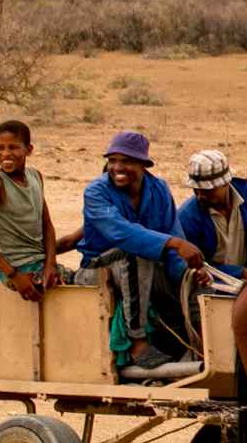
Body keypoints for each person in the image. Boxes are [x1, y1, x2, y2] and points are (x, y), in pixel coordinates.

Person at [72, 131, 206, 375]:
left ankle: (200, 347)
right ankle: (137, 342)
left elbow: (173, 242)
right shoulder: (96, 192)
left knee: (195, 279)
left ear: (144, 164)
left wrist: (189, 275)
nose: (117, 167)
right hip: (96, 270)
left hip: (146, 271)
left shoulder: (159, 189)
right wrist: (174, 243)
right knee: (134, 255)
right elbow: (123, 234)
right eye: (112, 160)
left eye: (127, 161)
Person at [0, 119, 60, 302]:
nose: (6, 154)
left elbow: (47, 225)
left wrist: (51, 263)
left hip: (40, 262)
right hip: (18, 268)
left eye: (13, 147)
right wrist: (14, 275)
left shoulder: (35, 177)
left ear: (29, 150)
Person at [176, 149, 247, 280]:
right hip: (212, 285)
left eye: (207, 190)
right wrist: (241, 273)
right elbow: (195, 266)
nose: (201, 196)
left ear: (225, 182)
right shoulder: (188, 216)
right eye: (196, 190)